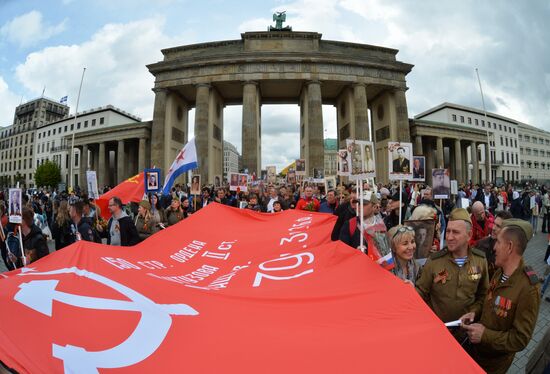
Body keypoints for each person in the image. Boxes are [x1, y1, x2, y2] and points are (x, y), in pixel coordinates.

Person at [461, 219, 540, 374]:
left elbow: (520, 339)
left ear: (509, 247)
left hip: (494, 364)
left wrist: (485, 335)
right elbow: (487, 299)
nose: (494, 247)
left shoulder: (529, 288)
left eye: (498, 242)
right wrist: (475, 313)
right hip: (477, 351)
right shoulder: (499, 272)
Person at [415, 208, 489, 325]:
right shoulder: (434, 261)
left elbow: (483, 295)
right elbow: (420, 292)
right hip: (438, 329)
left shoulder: (480, 260)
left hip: (467, 332)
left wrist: (474, 312)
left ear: (469, 235)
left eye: (455, 232)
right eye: (448, 231)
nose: (449, 237)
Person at [475, 210, 513, 279]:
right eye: (494, 223)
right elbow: (474, 274)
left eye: (498, 226)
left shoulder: (510, 252)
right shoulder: (481, 245)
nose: (493, 228)